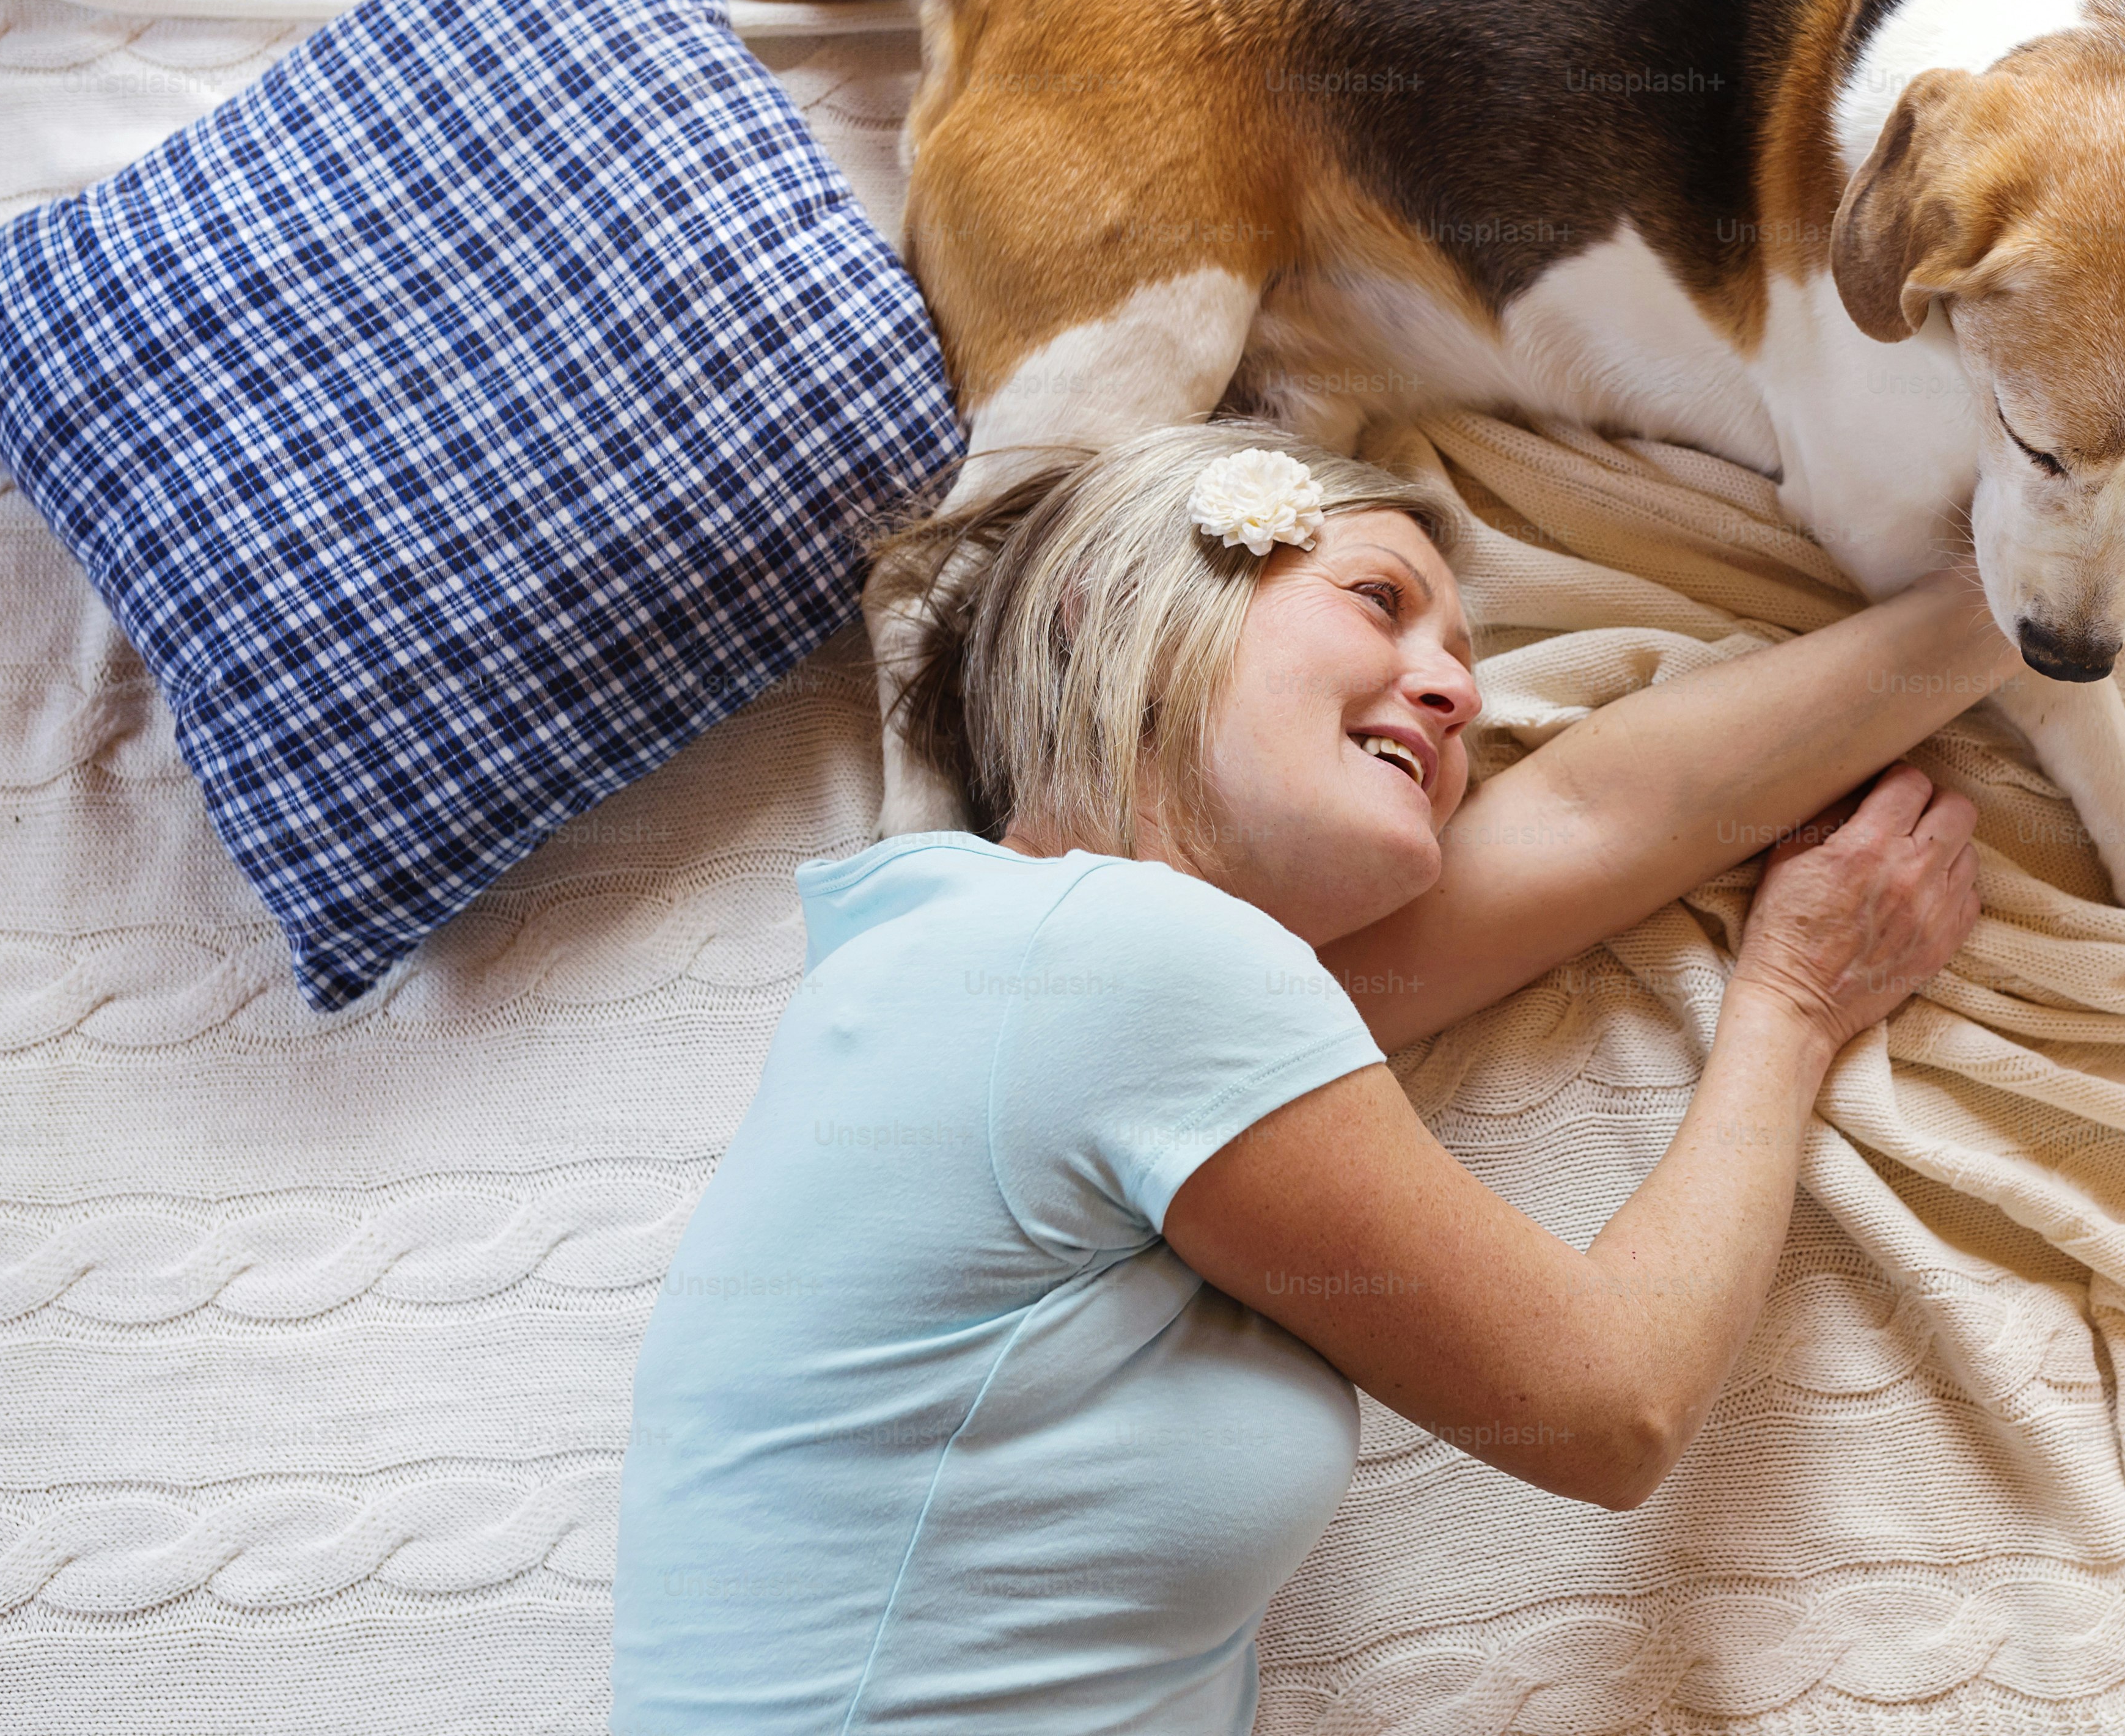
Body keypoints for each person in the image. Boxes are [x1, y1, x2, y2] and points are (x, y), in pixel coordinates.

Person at [609, 420, 2018, 1732]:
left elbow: (1603, 811)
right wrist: (1786, 1003)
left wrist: (2039, 588)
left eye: (1459, 664)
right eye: (1376, 600)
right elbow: (1610, 1405)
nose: (1462, 689)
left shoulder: (997, 962)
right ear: (1110, 615)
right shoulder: (1123, 965)